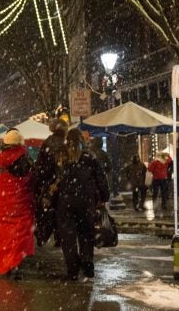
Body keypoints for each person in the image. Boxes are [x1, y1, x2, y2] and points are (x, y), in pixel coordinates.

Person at [53, 129, 110, 281]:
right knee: (86, 236)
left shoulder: (61, 157)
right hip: (86, 202)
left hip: (66, 202)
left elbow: (53, 178)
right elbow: (101, 178)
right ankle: (88, 269)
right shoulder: (89, 157)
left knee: (68, 238)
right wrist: (104, 196)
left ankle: (72, 271)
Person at [0, 129, 35, 278]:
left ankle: (5, 264)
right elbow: (29, 181)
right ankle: (15, 263)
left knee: (2, 236)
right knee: (18, 234)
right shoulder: (24, 158)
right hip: (19, 206)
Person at [33, 118, 68, 246]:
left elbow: (41, 165)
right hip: (55, 183)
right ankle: (55, 236)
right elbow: (60, 165)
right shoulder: (61, 144)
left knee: (49, 210)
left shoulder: (47, 142)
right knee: (58, 211)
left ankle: (44, 234)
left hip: (47, 182)